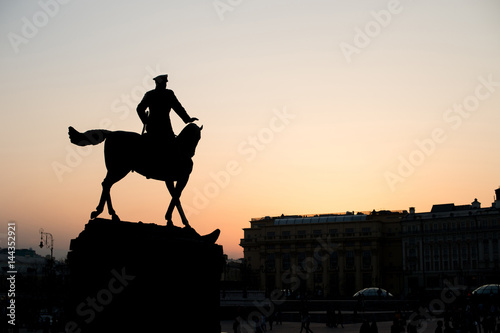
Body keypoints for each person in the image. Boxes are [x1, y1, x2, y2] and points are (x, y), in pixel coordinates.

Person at [136, 74, 198, 148]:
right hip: (164, 128)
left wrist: (146, 121)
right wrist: (187, 119)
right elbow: (178, 108)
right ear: (159, 83)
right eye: (164, 83)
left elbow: (140, 109)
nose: (165, 85)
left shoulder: (150, 94)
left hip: (153, 127)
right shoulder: (168, 94)